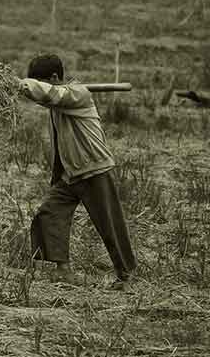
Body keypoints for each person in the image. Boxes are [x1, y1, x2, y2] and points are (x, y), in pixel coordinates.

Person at [18, 54, 137, 291]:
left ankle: (126, 276)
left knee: (109, 225)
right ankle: (63, 269)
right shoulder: (56, 101)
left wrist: (19, 84)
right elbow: (47, 96)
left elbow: (51, 94)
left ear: (54, 78)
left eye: (42, 82)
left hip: (93, 169)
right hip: (70, 173)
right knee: (49, 213)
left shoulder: (76, 94)